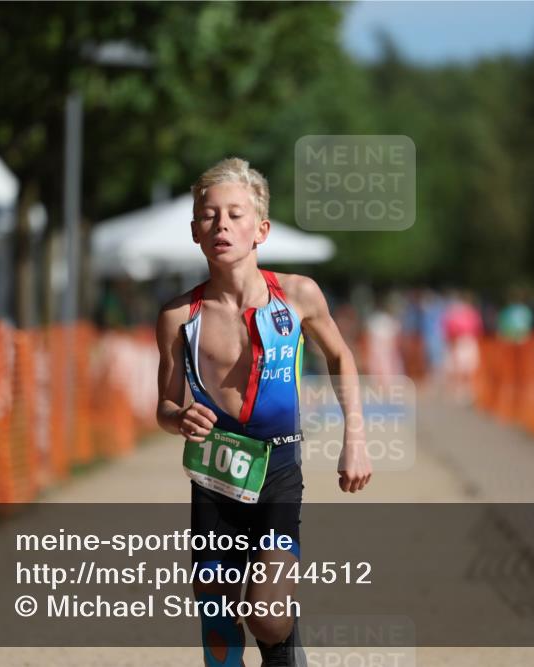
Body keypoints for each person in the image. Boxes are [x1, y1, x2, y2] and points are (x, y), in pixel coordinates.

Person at [156, 157, 372, 667]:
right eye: (209, 216)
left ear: (261, 229)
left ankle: (283, 647)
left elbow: (341, 356)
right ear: (194, 231)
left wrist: (355, 440)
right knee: (218, 618)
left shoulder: (297, 295)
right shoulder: (177, 315)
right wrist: (178, 417)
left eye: (235, 214)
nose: (221, 225)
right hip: (214, 476)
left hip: (277, 470)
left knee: (269, 614)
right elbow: (164, 405)